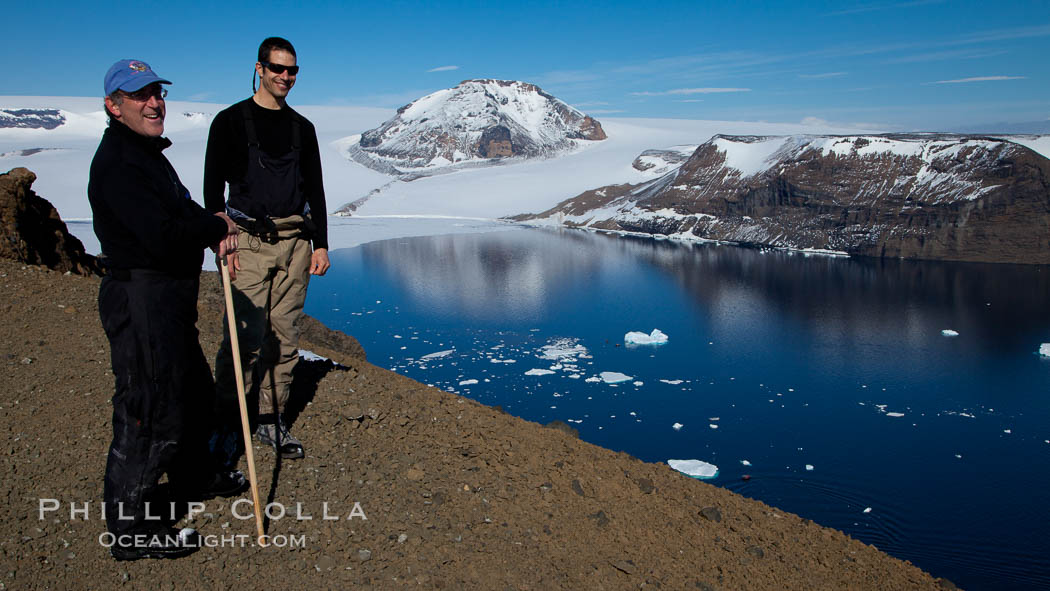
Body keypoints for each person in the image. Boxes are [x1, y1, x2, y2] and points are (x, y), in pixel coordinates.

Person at [88, 59, 247, 560]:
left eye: (157, 92)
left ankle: (194, 475)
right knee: (147, 407)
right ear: (114, 106)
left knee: (190, 389)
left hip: (165, 300)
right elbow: (161, 235)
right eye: (140, 96)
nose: (154, 102)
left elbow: (179, 211)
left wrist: (211, 218)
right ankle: (130, 529)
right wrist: (214, 230)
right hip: (142, 298)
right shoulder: (119, 163)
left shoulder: (145, 153)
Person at [204, 37, 330, 460]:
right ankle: (227, 422)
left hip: (295, 243)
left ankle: (270, 419)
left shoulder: (302, 128)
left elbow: (316, 189)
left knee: (285, 335)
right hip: (248, 242)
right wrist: (220, 235)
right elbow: (211, 187)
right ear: (259, 68)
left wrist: (321, 244)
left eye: (292, 70)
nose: (285, 77)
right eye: (277, 68)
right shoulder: (229, 121)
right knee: (243, 338)